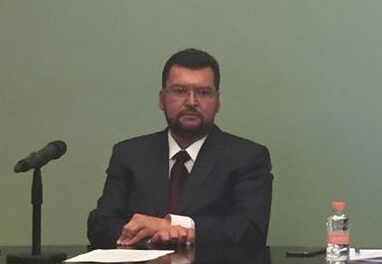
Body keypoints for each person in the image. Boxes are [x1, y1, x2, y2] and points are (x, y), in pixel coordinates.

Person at [87, 48, 272, 249]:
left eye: (203, 92)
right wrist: (153, 232)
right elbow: (100, 225)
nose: (191, 102)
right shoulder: (130, 154)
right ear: (161, 99)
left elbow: (249, 232)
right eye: (179, 91)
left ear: (217, 102)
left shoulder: (247, 157)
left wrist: (173, 225)